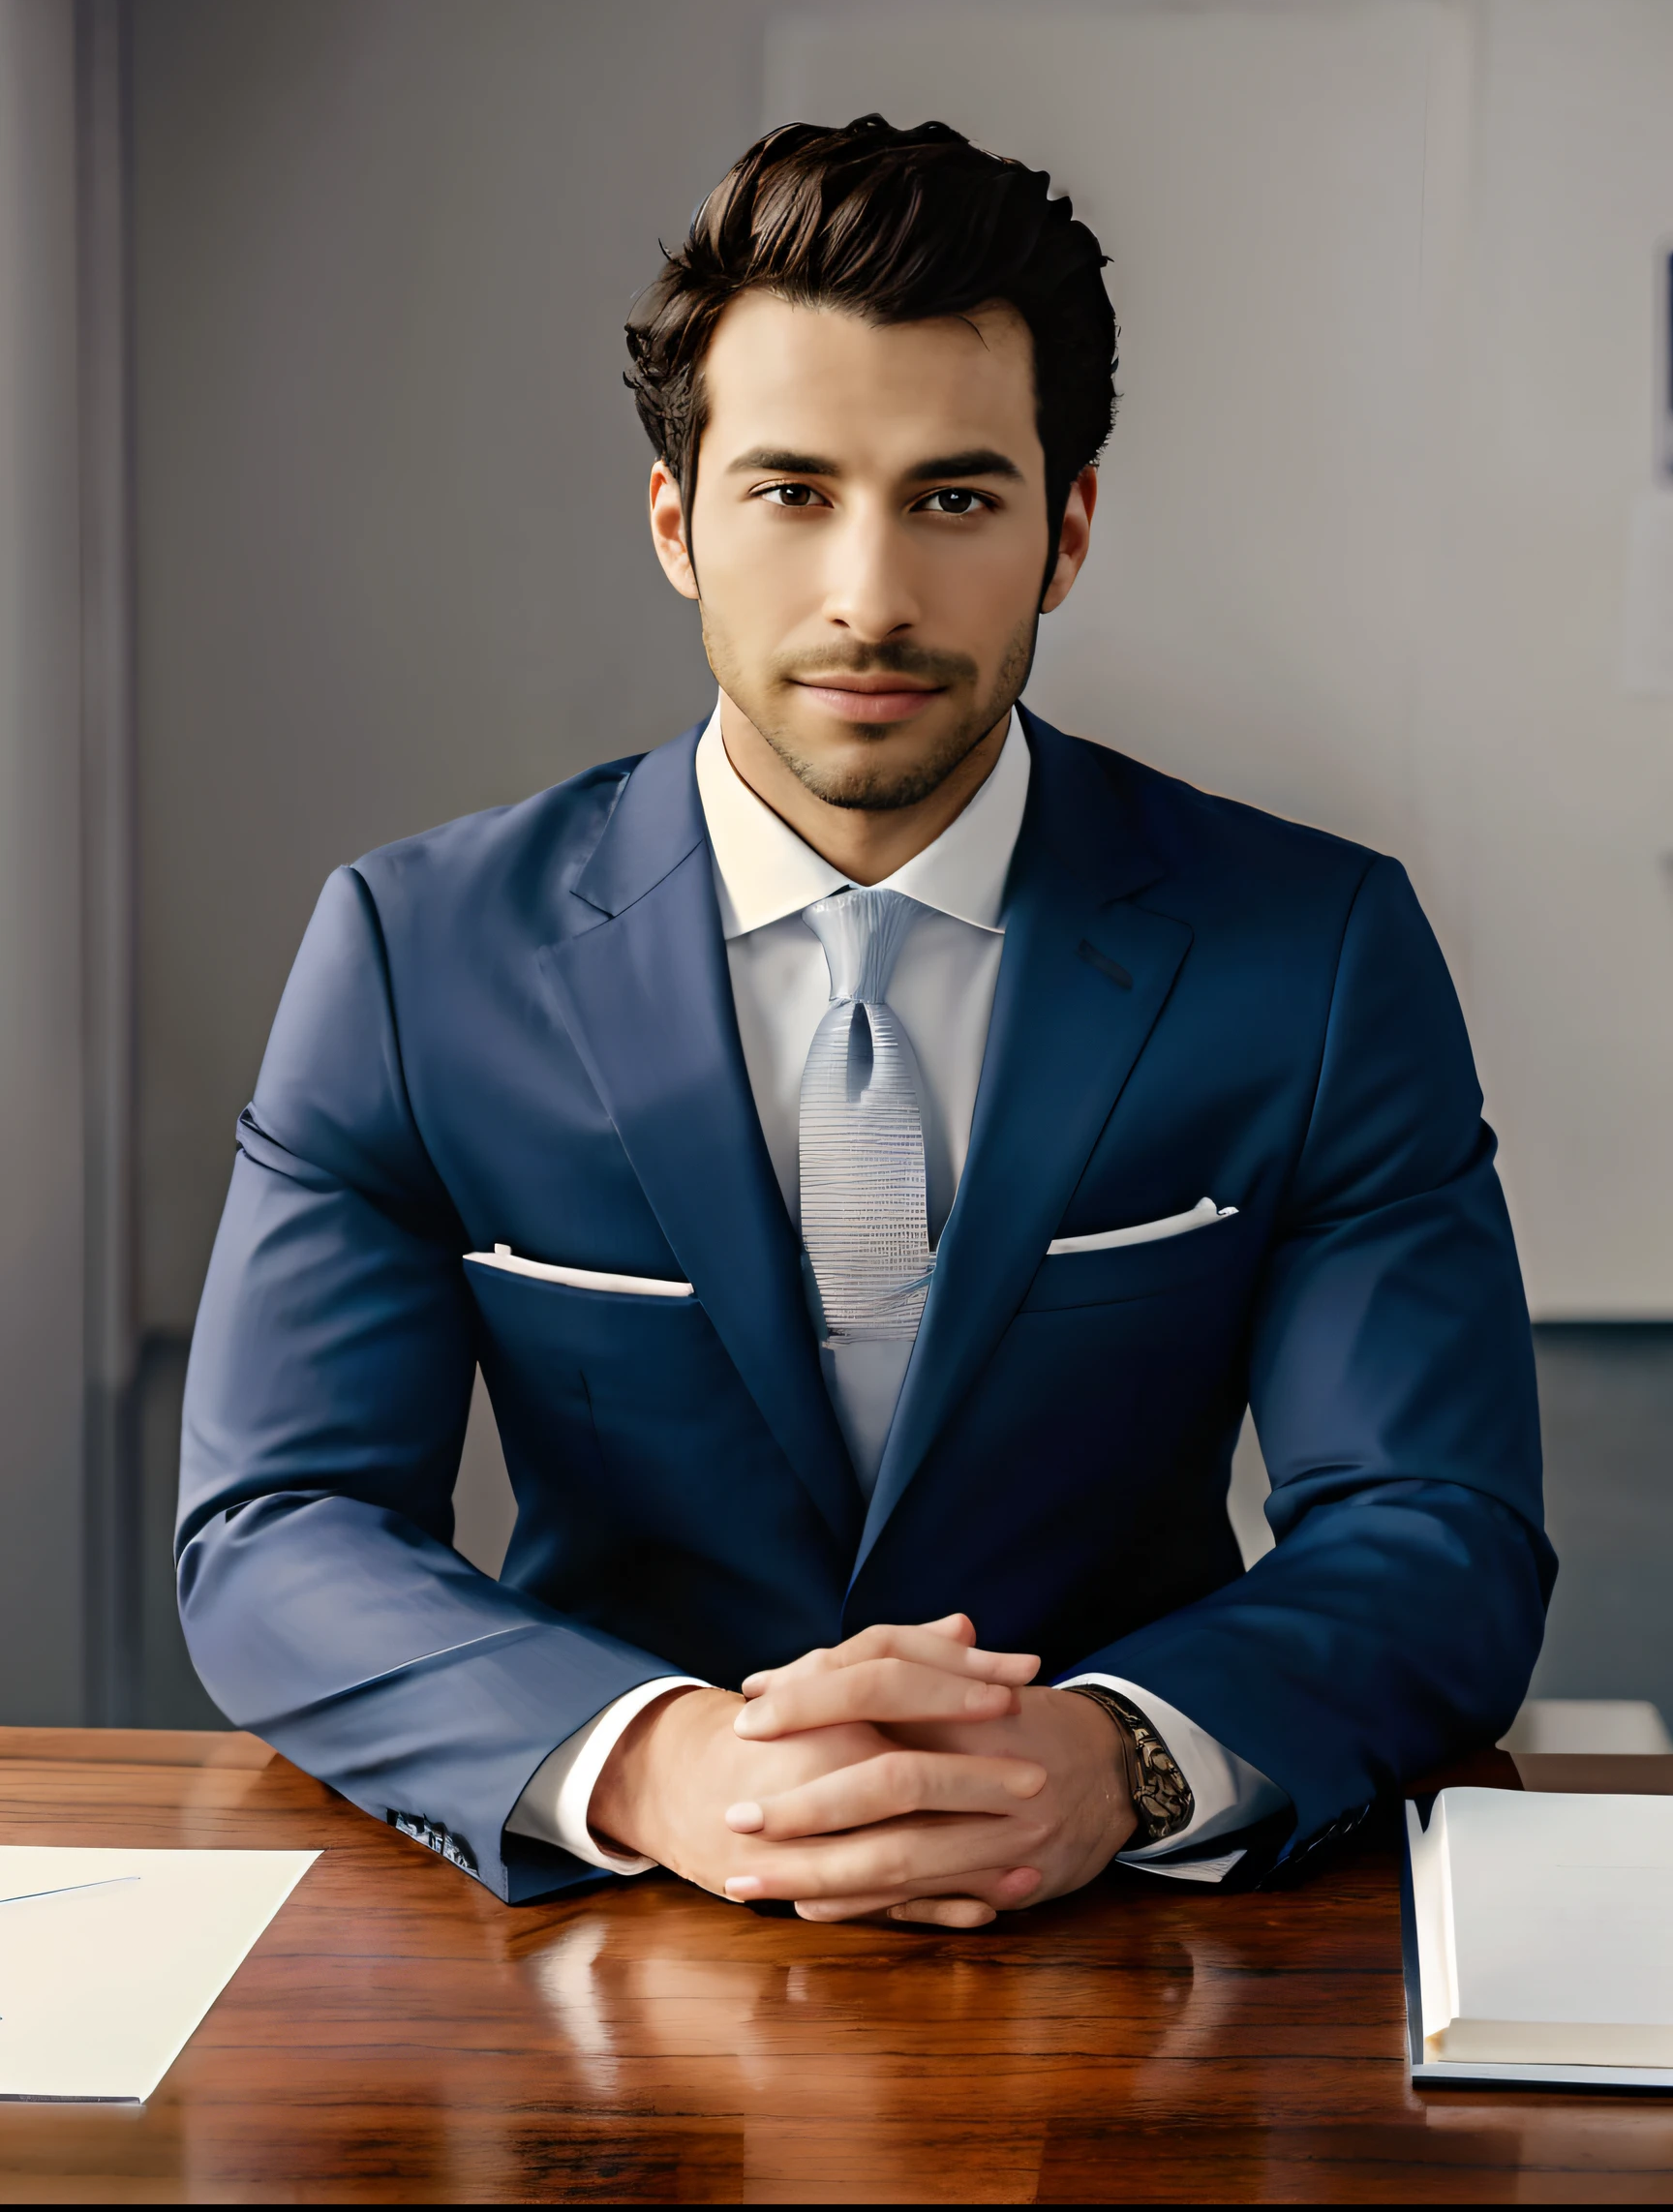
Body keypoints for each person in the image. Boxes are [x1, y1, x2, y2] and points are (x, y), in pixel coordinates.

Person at [177, 115, 1552, 1928]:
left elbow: (1438, 1523)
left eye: (956, 499)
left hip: (1137, 1926)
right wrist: (651, 1760)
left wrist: (1124, 1756)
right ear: (676, 523)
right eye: (791, 492)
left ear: (1065, 532)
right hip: (606, 1926)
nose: (872, 599)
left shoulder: (1316, 948)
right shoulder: (409, 954)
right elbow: (279, 1527)